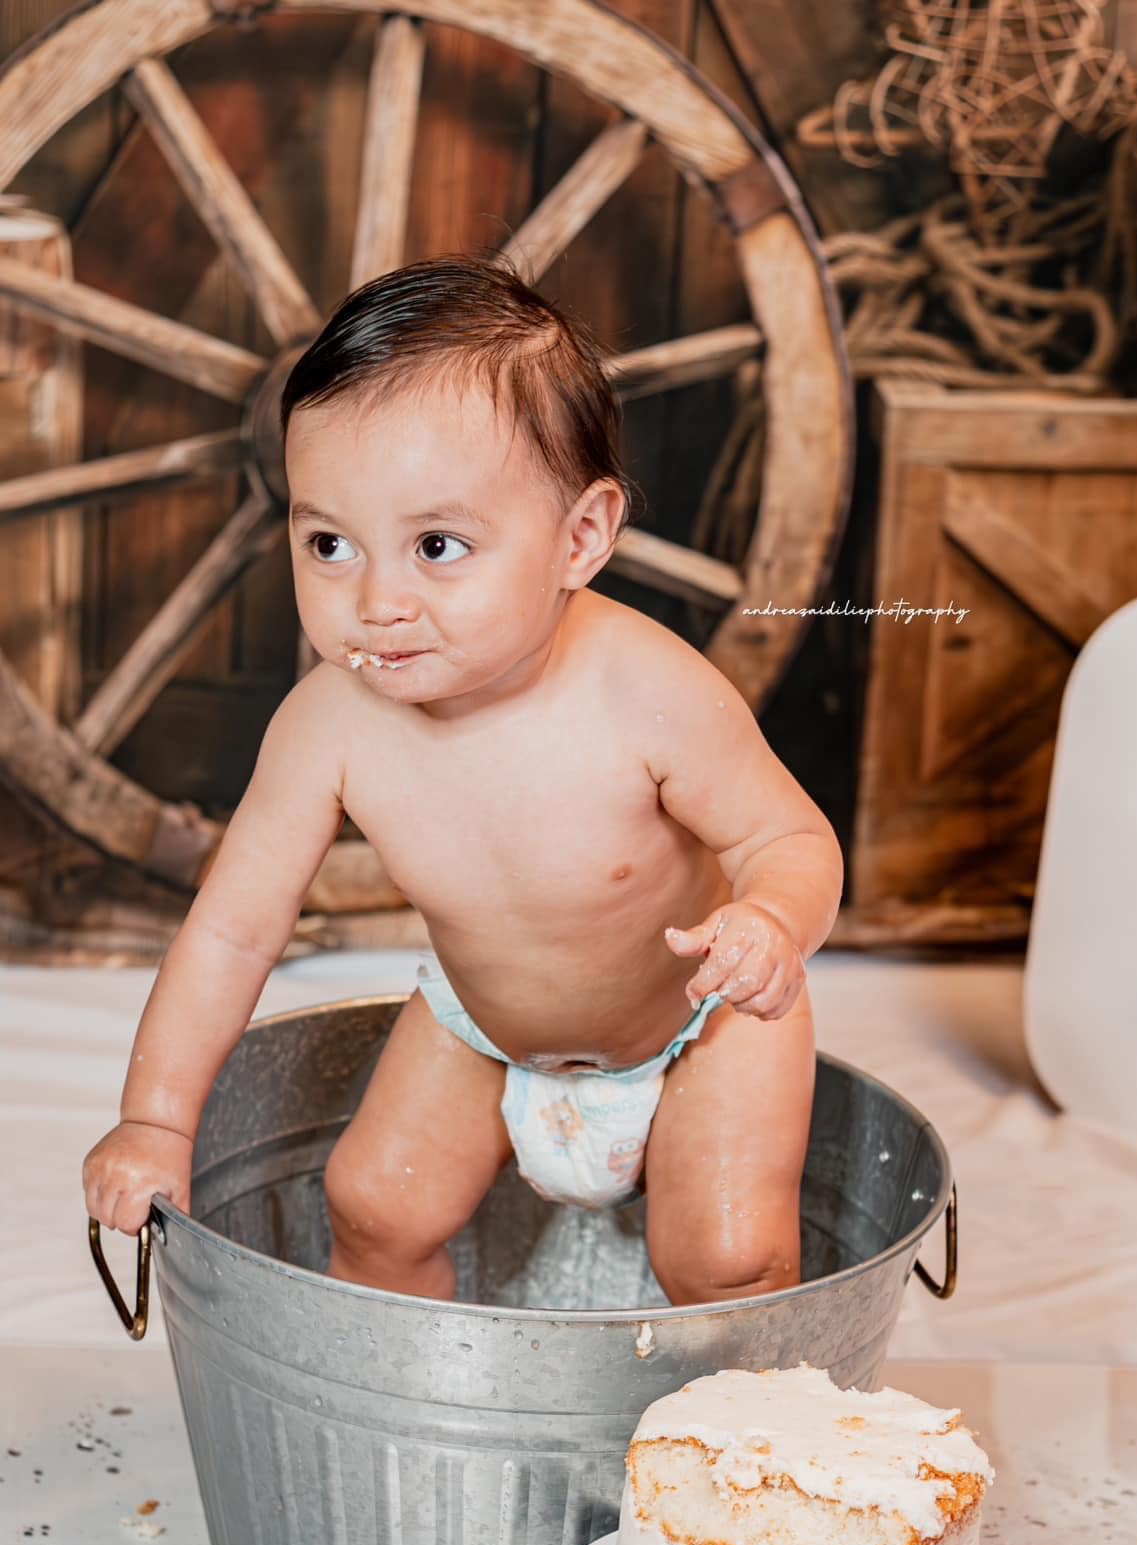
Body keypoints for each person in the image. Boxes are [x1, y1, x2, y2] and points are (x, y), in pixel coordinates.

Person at [82, 256, 843, 1307]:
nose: (377, 599)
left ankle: (738, 1443)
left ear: (580, 537)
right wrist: (157, 1118)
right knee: (371, 1205)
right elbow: (231, 932)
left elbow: (792, 843)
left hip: (698, 1022)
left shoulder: (647, 690)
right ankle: (422, 1407)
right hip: (486, 1026)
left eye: (437, 545)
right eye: (329, 542)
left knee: (725, 1258)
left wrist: (768, 921)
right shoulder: (327, 727)